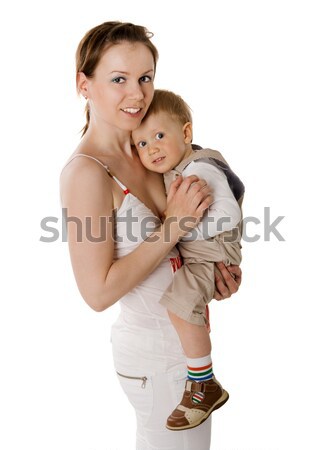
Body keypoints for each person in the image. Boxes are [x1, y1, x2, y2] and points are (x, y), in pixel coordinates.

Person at [60, 21, 242, 450]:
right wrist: (174, 225)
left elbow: (174, 255)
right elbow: (97, 293)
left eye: (145, 78)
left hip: (185, 353)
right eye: (119, 79)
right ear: (84, 85)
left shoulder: (148, 150)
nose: (137, 94)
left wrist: (215, 276)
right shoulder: (86, 173)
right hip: (154, 360)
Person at [132, 89, 244, 431]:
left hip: (211, 252)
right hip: (200, 253)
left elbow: (228, 213)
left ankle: (203, 383)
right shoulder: (175, 169)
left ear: (186, 134)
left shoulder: (199, 168)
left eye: (160, 136)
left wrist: (180, 231)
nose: (151, 148)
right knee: (183, 304)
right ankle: (201, 380)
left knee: (180, 304)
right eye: (141, 144)